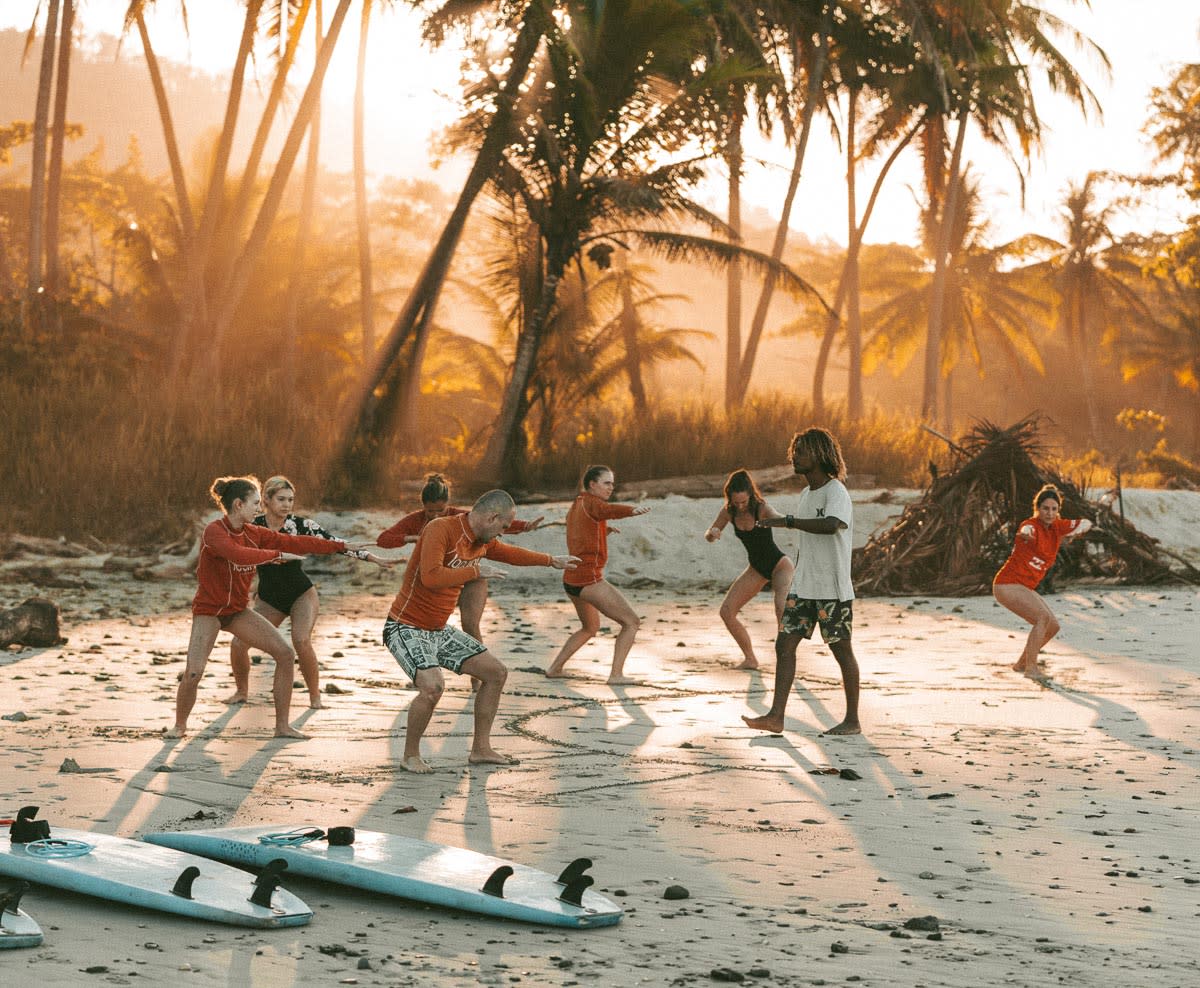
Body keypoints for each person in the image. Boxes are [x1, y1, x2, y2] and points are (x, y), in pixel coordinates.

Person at [383, 489, 578, 773]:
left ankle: (481, 749)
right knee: (432, 687)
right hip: (405, 626)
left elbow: (511, 554)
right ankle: (410, 756)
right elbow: (431, 576)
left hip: (438, 630)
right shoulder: (441, 529)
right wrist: (475, 572)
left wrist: (551, 560)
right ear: (492, 517)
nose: (502, 533)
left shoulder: (481, 540)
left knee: (496, 673)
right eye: (503, 526)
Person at [169, 476, 365, 740]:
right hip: (209, 611)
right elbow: (238, 554)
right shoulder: (214, 531)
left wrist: (341, 546)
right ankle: (179, 726)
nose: (258, 509)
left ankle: (282, 727)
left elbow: (297, 542)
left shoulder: (254, 533)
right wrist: (276, 556)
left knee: (285, 654)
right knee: (194, 671)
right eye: (254, 503)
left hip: (237, 612)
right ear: (238, 505)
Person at [227, 475, 391, 709]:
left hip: (301, 594)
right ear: (266, 500)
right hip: (269, 598)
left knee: (301, 640)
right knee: (239, 643)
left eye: (290, 500)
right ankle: (241, 692)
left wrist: (371, 558)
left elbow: (334, 543)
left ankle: (315, 697)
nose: (286, 504)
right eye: (281, 499)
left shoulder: (302, 525)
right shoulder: (253, 527)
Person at [742, 428, 862, 736]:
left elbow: (832, 525)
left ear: (821, 455)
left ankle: (852, 721)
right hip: (803, 585)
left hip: (832, 589)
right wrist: (788, 522)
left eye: (802, 451)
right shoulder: (807, 494)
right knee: (785, 644)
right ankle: (776, 716)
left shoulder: (836, 492)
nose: (795, 456)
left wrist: (788, 521)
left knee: (841, 650)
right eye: (795, 450)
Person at [377, 474, 544, 643]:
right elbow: (383, 539)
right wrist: (410, 538)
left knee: (472, 621)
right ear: (423, 507)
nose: (435, 516)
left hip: (463, 576)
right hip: (434, 579)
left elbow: (490, 522)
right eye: (430, 511)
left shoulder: (459, 517)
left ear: (447, 505)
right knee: (427, 622)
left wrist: (524, 526)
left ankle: (479, 657)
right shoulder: (416, 520)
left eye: (440, 511)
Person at [546, 465, 650, 684]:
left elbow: (582, 530)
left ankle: (555, 668)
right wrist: (630, 510)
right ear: (592, 484)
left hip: (571, 579)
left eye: (612, 483)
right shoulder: (594, 504)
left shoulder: (578, 504)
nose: (611, 487)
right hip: (587, 579)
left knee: (590, 627)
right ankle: (616, 675)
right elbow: (606, 511)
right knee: (631, 622)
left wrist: (603, 531)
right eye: (606, 483)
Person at [992, 484, 1095, 678]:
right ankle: (1032, 669)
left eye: (1054, 509)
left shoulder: (1057, 527)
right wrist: (1027, 535)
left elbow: (1085, 523)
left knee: (1053, 626)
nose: (1049, 513)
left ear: (1058, 511)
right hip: (1007, 584)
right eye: (1045, 508)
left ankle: (1021, 664)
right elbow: (1027, 530)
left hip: (1023, 587)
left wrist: (1079, 529)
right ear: (1038, 508)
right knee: (1042, 618)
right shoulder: (1030, 525)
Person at [705, 469, 795, 669]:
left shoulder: (761, 508)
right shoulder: (728, 511)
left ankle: (787, 660)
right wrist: (713, 533)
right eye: (736, 502)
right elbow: (710, 535)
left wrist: (782, 521)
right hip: (756, 568)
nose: (740, 506)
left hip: (779, 565)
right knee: (726, 612)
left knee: (781, 607)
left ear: (751, 495)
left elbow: (777, 517)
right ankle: (750, 659)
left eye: (744, 502)